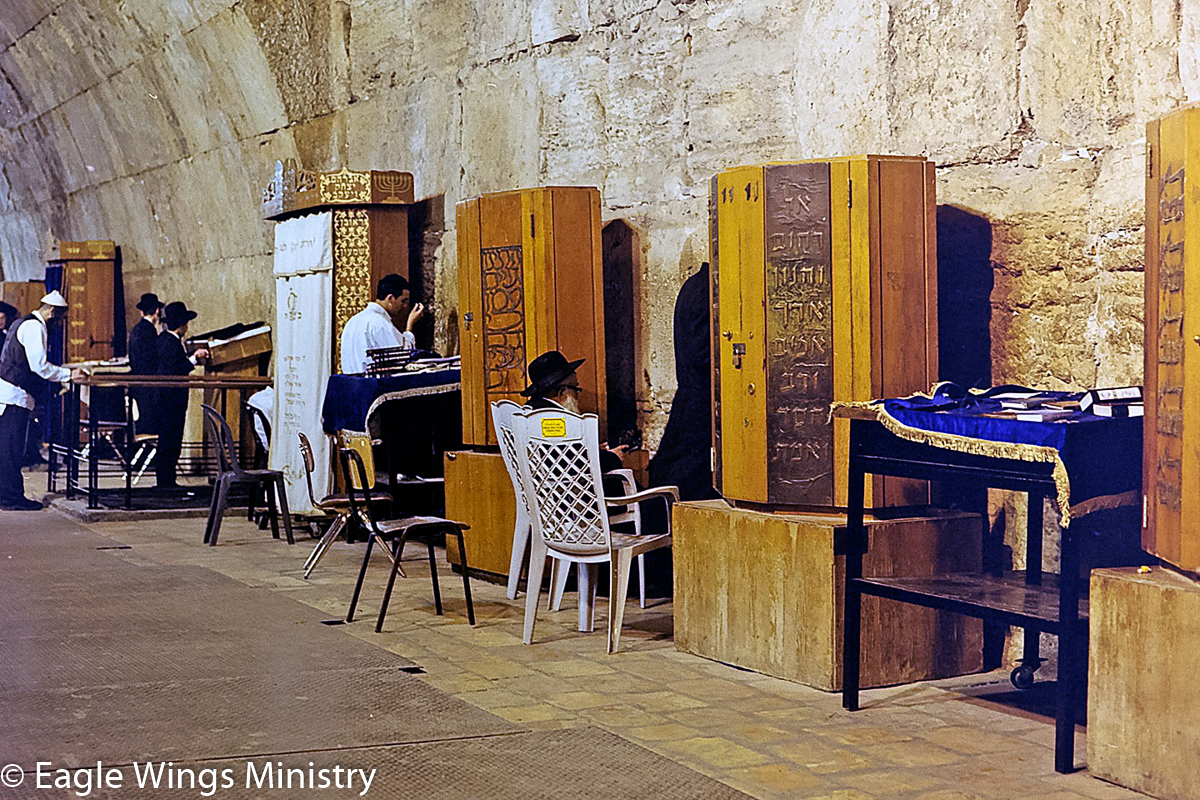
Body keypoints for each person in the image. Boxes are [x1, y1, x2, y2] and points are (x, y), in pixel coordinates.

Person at [0, 291, 82, 510]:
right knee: (11, 450)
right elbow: (40, 366)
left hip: (9, 394)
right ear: (53, 312)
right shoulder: (35, 327)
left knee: (8, 449)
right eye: (62, 318)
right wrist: (69, 374)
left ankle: (8, 496)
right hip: (14, 396)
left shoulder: (21, 322)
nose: (61, 324)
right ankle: (11, 499)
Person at [648, 262, 718, 501]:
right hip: (700, 396)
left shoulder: (695, 285)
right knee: (689, 475)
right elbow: (700, 352)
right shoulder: (705, 290)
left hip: (693, 394)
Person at [521, 350, 622, 473]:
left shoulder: (533, 409)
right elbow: (570, 464)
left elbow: (561, 452)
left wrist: (593, 451)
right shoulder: (553, 418)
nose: (578, 396)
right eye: (575, 389)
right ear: (562, 392)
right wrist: (613, 457)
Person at [154, 301, 209, 489]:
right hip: (171, 401)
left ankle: (167, 480)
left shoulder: (165, 340)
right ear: (182, 324)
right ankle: (166, 482)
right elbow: (175, 370)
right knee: (170, 440)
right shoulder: (169, 343)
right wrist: (194, 358)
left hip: (169, 401)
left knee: (170, 440)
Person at [339, 273, 426, 374]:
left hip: (353, 386)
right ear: (390, 298)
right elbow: (402, 359)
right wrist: (409, 326)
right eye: (403, 301)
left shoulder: (353, 321)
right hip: (372, 386)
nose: (406, 306)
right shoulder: (379, 323)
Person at [127, 292, 163, 435]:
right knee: (149, 427)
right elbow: (153, 359)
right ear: (157, 311)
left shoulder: (137, 329)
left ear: (141, 311)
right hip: (148, 385)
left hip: (138, 383)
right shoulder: (149, 330)